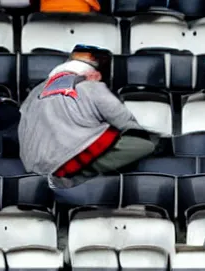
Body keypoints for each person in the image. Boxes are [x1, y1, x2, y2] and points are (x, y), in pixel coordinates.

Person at [19, 44, 158, 205]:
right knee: (146, 143)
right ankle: (77, 175)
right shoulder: (92, 86)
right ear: (95, 74)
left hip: (33, 165)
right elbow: (127, 123)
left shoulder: (36, 91)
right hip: (65, 162)